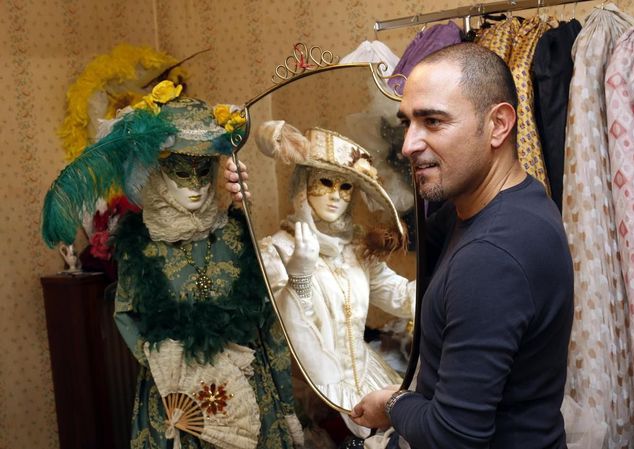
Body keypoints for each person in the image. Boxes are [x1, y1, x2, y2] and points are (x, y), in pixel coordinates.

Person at [42, 88, 304, 449]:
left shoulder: (237, 232)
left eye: (202, 171)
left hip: (248, 392)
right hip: (175, 401)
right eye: (180, 171)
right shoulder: (139, 243)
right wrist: (164, 362)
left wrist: (286, 406)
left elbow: (268, 323)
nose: (195, 185)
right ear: (157, 172)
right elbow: (125, 313)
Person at [349, 43, 574, 449]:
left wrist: (393, 403)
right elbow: (400, 235)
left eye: (433, 121)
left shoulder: (491, 256)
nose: (408, 145)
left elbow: (453, 436)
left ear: (498, 125)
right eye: (407, 124)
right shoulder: (502, 204)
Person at [228, 121, 416, 435]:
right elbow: (289, 334)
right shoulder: (277, 250)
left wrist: (451, 288)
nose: (336, 196)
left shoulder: (356, 248)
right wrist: (299, 276)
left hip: (369, 379)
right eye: (325, 182)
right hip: (317, 390)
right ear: (302, 184)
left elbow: (397, 294)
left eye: (346, 187)